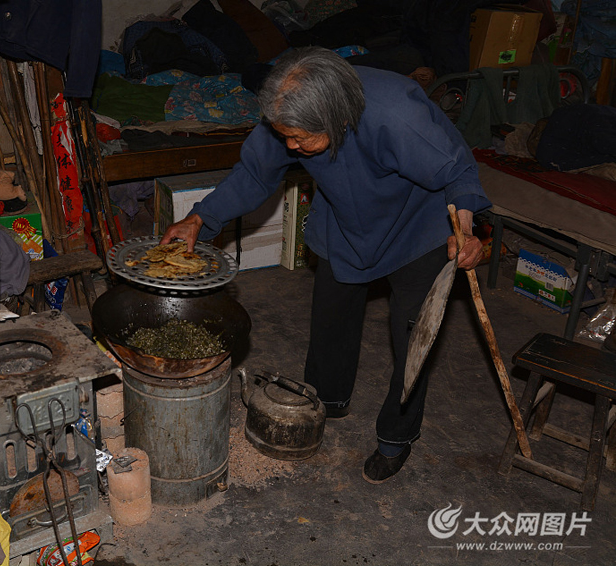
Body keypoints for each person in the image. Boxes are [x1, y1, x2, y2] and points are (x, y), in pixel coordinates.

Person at [160, 47, 491, 483]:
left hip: (418, 227)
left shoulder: (397, 111)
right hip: (345, 218)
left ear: (338, 118)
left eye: (299, 140)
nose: (290, 148)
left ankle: (397, 435)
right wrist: (202, 217)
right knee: (331, 316)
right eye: (285, 138)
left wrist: (466, 229)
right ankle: (325, 400)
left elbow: (458, 170)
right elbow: (257, 173)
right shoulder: (288, 116)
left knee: (415, 334)